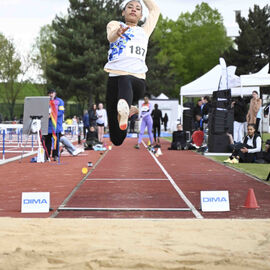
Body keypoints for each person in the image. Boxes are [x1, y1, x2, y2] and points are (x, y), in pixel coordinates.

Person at [104, 0, 160, 146]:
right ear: (123, 12)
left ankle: (126, 107)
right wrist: (117, 33)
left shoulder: (144, 30)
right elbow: (110, 37)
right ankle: (127, 112)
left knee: (125, 79)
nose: (133, 10)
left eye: (137, 8)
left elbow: (155, 10)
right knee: (117, 139)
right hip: (113, 80)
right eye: (130, 7)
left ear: (141, 15)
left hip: (136, 80)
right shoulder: (115, 24)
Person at [44, 89, 65, 161]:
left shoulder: (60, 101)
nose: (50, 94)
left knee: (56, 140)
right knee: (47, 141)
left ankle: (55, 155)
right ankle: (47, 155)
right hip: (47, 125)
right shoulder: (45, 101)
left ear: (55, 93)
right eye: (49, 93)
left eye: (52, 93)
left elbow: (61, 112)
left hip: (56, 125)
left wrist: (52, 115)